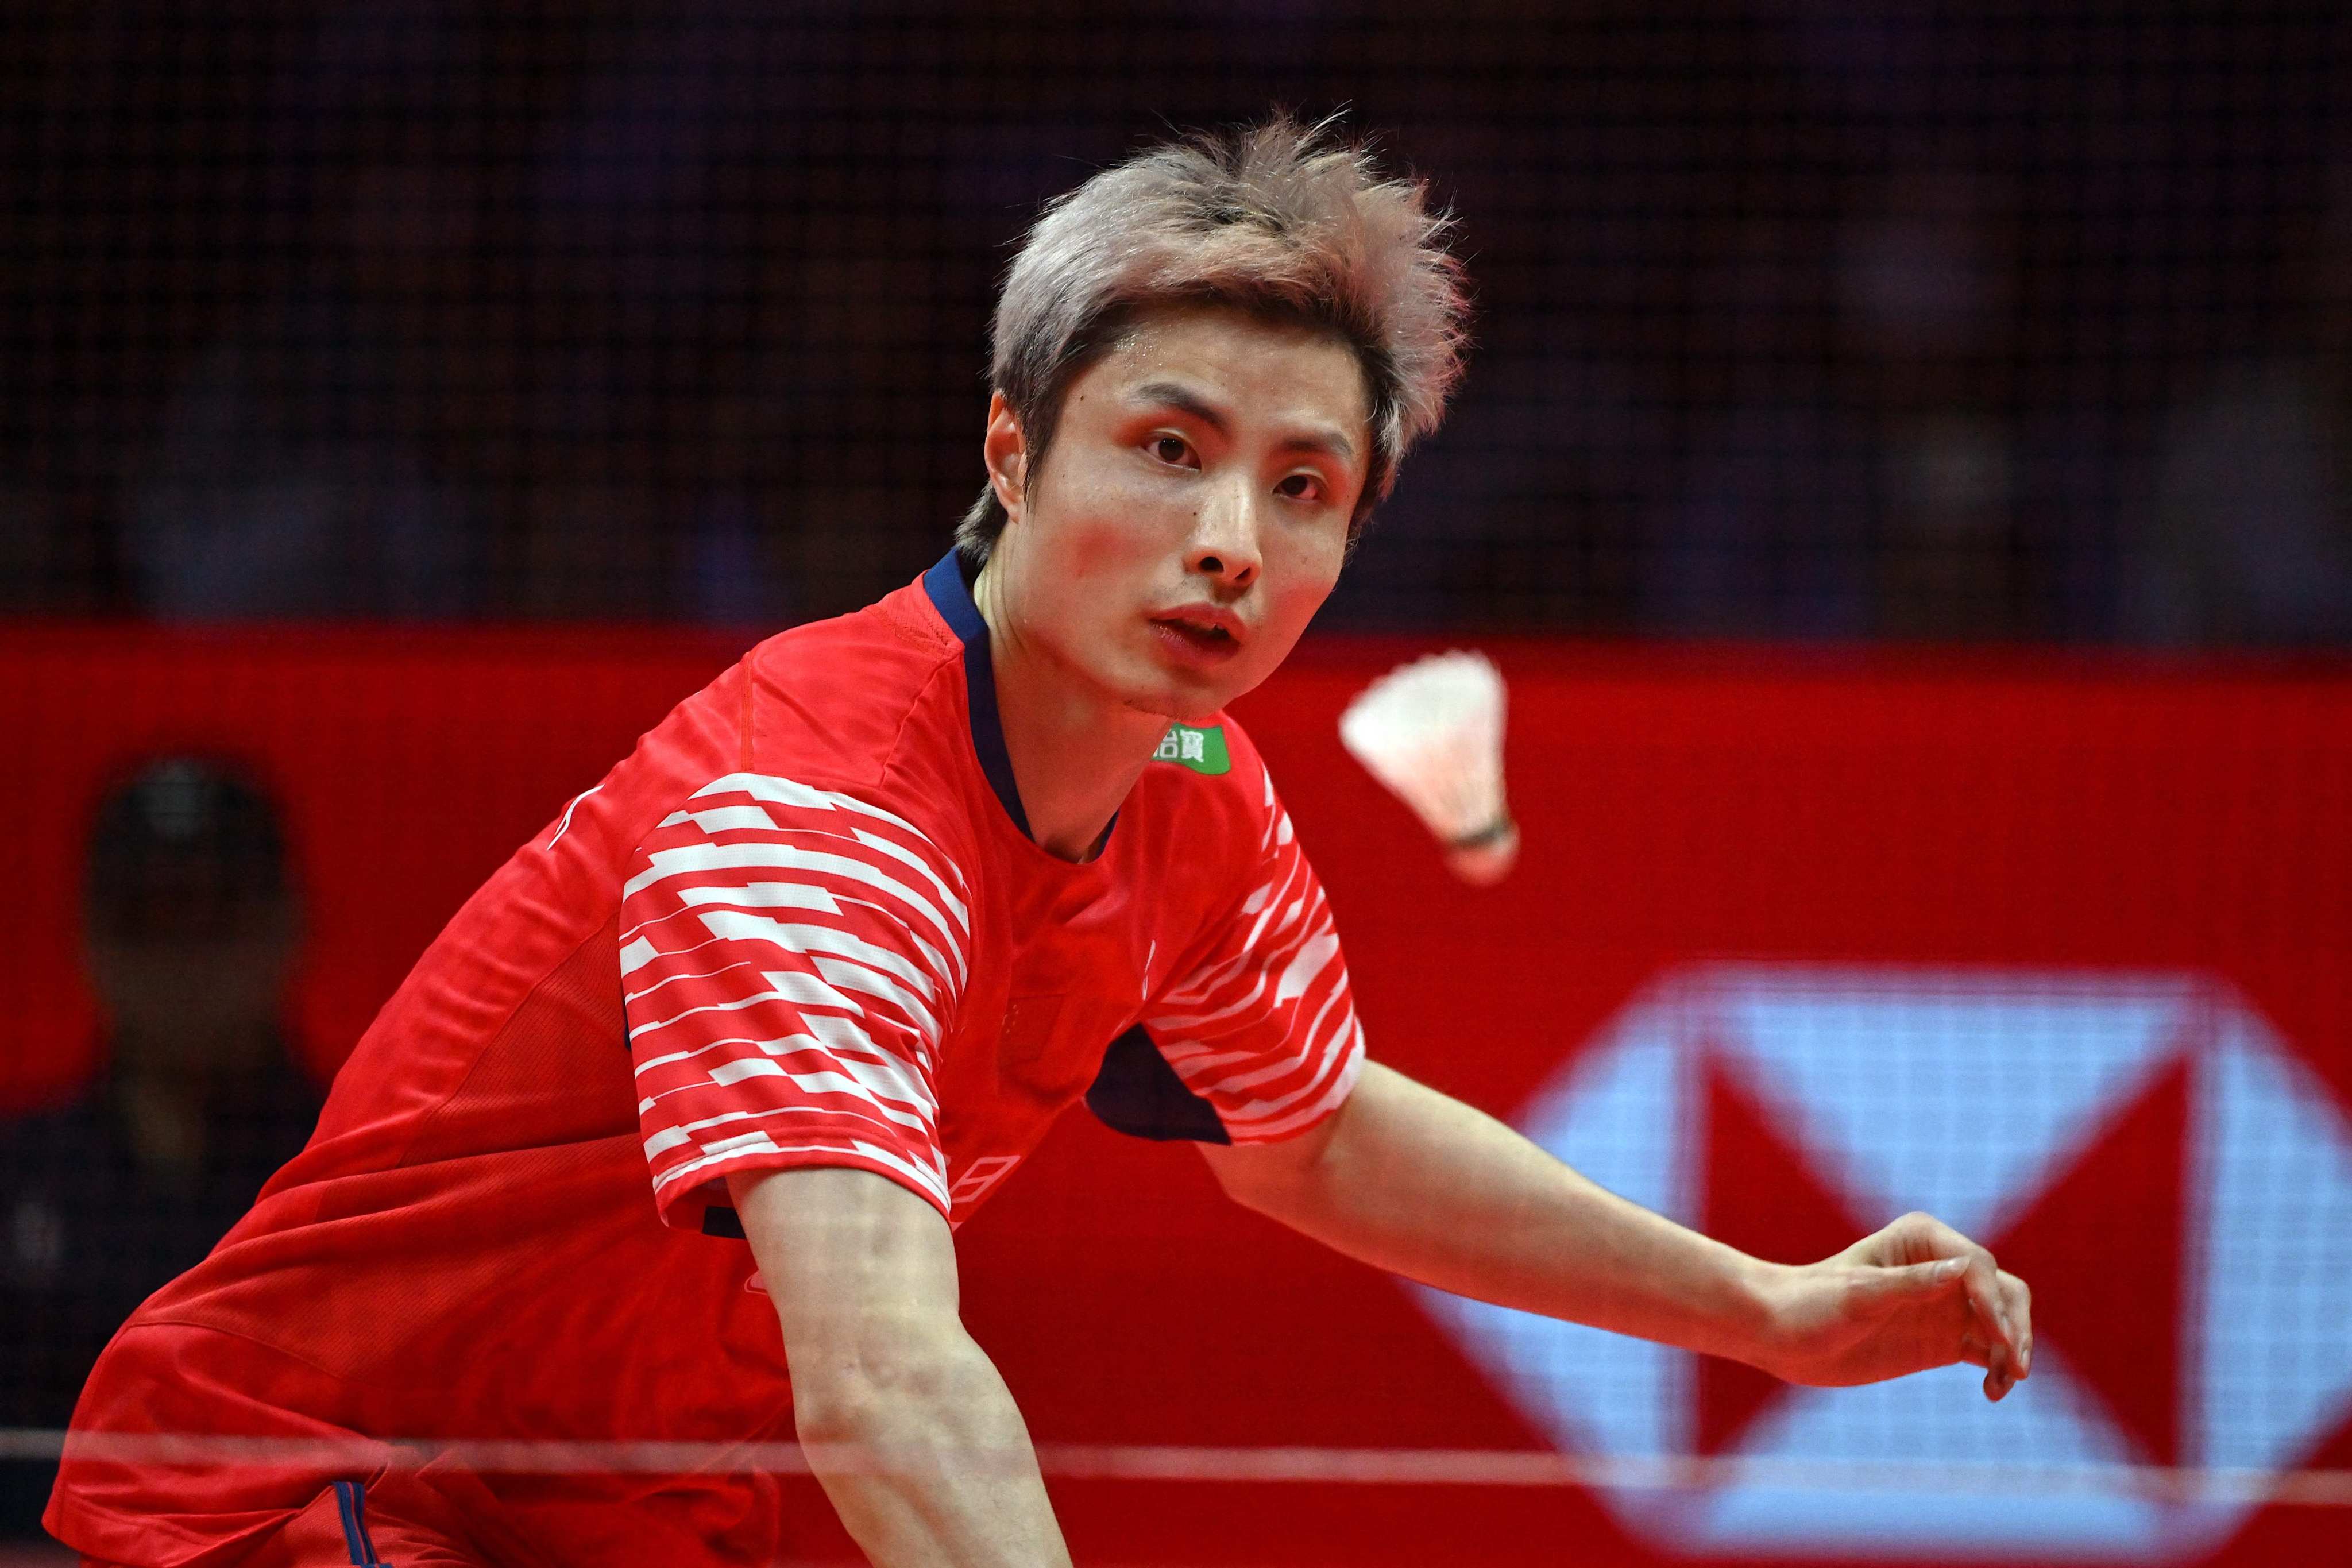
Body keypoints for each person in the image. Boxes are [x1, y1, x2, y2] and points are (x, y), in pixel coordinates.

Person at [49, 118, 2032, 1568]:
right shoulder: (814, 821)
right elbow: (886, 1380)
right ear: (1010, 453)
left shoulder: (1189, 784)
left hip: (598, 1522)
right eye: (1167, 450)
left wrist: (1763, 1311)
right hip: (295, 1501)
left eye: (1304, 487)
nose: (1230, 540)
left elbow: (1314, 1131)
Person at [3, 759, 321, 1539]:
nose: (184, 960)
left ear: (287, 926)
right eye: (148, 918)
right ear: (90, 938)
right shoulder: (15, 1179)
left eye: (217, 917)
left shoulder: (360, 1175)